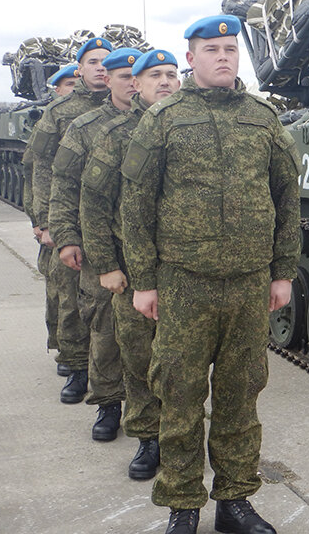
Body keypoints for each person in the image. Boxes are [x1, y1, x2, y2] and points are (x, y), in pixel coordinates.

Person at [120, 15, 300, 534]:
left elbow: (288, 198)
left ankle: (235, 503)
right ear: (191, 58)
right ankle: (182, 505)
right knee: (178, 395)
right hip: (183, 284)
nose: (224, 56)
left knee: (241, 395)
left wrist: (282, 272)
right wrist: (144, 281)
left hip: (249, 284)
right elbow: (136, 204)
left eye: (230, 48)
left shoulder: (263, 118)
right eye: (212, 49)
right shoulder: (164, 119)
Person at [80, 49, 180, 477]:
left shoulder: (188, 125)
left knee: (182, 364)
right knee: (139, 360)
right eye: (154, 74)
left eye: (172, 74)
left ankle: (183, 438)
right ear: (135, 83)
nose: (165, 82)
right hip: (133, 274)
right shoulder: (117, 134)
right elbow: (94, 203)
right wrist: (105, 265)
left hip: (185, 273)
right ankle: (148, 438)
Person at [50, 47, 141, 441]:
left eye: (135, 76)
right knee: (104, 333)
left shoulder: (158, 124)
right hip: (100, 248)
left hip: (146, 252)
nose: (130, 84)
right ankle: (107, 405)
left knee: (145, 343)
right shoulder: (85, 127)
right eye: (122, 76)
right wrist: (65, 236)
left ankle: (147, 414)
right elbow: (64, 184)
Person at [29, 37, 112, 404]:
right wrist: (44, 219)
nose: (100, 67)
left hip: (108, 224)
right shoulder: (61, 112)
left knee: (106, 305)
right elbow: (41, 166)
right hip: (69, 220)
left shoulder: (125, 108)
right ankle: (77, 367)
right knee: (70, 299)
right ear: (79, 69)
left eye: (106, 62)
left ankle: (108, 375)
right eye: (92, 61)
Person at [23, 64, 80, 376]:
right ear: (56, 89)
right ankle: (67, 351)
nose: (73, 88)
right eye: (68, 84)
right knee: (61, 290)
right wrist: (40, 220)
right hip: (57, 218)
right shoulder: (54, 116)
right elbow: (36, 173)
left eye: (76, 83)